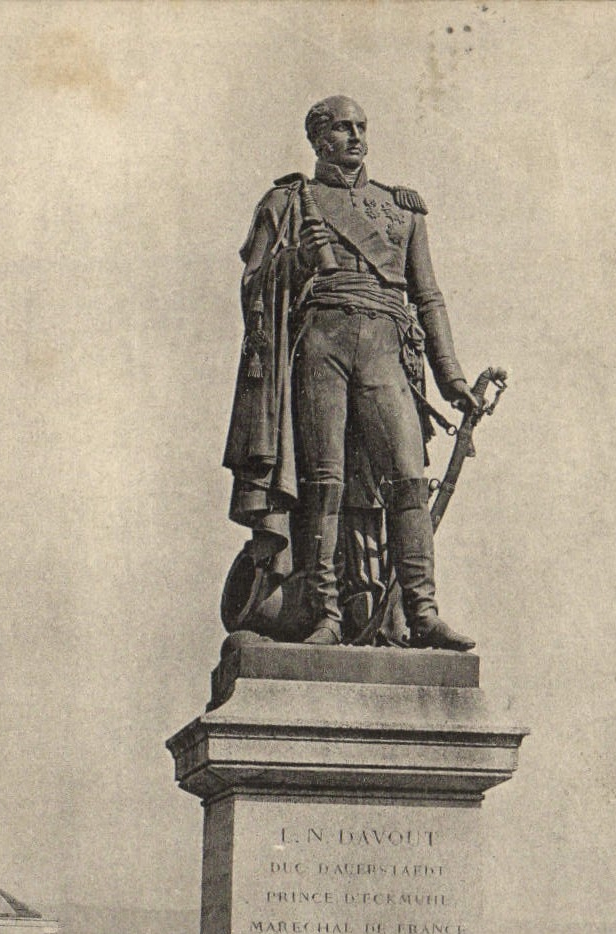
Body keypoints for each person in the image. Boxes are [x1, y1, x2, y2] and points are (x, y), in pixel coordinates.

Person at [223, 96, 478, 649]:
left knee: (408, 477)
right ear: (319, 139)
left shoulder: (401, 208)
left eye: (361, 126)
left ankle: (423, 612)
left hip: (386, 345)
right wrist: (297, 261)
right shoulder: (290, 202)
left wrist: (452, 377)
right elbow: (253, 283)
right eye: (342, 128)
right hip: (322, 340)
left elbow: (428, 296)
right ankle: (326, 616)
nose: (356, 136)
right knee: (325, 481)